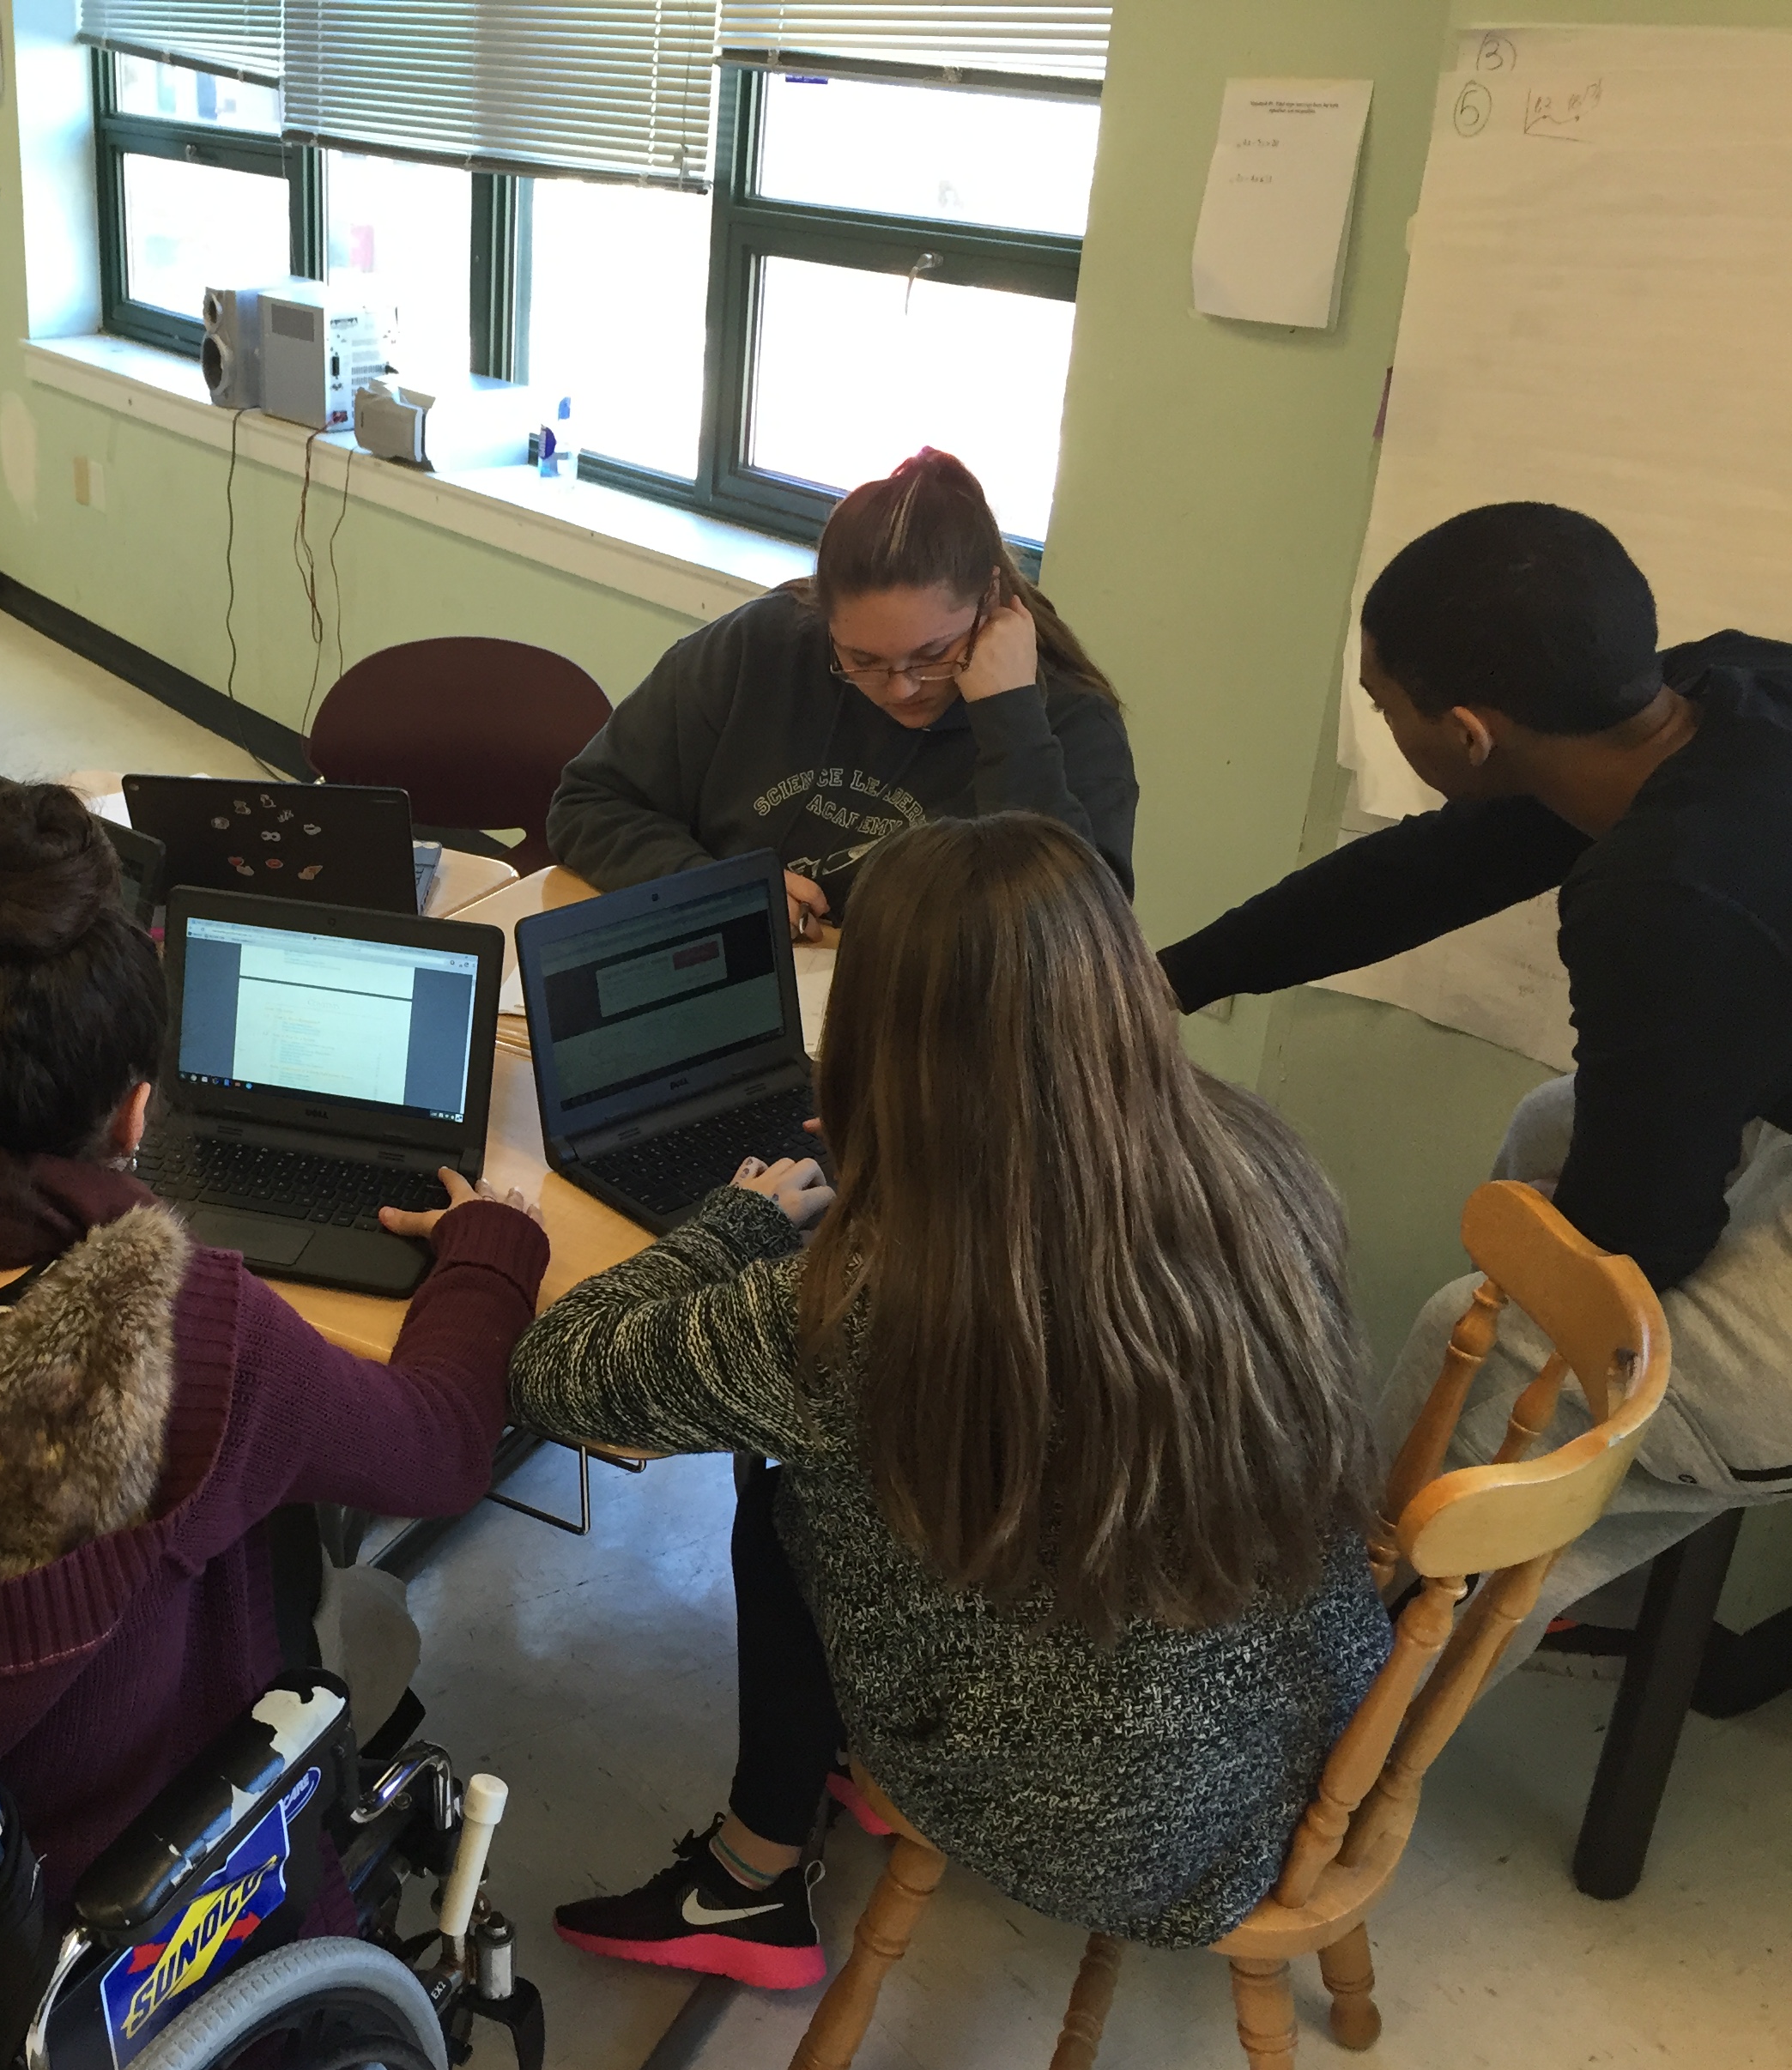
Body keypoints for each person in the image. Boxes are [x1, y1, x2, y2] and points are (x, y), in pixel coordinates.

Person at [512, 814, 1389, 1987]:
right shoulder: (1252, 1159)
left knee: (783, 1494)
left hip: (1100, 1830)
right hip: (1315, 1734)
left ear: (875, 1038)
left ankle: (746, 1882)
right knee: (871, 1468)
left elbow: (558, 1371)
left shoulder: (879, 1307)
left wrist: (742, 1221)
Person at [0, 778, 551, 1904]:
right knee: (371, 1618)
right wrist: (489, 1249)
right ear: (135, 1113)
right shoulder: (185, 1338)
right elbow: (444, 1446)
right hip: (88, 1878)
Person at [1156, 500, 1792, 1670]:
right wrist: (1168, 980)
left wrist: (1548, 1275)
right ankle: (1484, 1537)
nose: (1382, 719)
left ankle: (1327, 1663)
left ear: (1466, 734)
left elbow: (1642, 1236)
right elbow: (1431, 870)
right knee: (1550, 1130)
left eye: (1383, 706)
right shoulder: (1711, 695)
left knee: (1484, 1344)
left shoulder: (1670, 897)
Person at [546, 446, 1135, 937]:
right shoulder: (760, 646)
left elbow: (1078, 940)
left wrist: (1009, 717)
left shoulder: (1066, 720)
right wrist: (715, 891)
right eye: (862, 660)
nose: (902, 687)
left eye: (934, 654)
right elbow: (589, 804)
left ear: (991, 601)